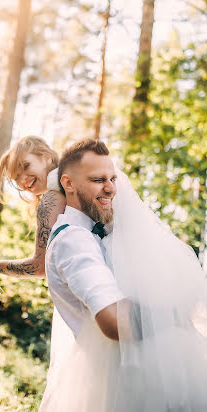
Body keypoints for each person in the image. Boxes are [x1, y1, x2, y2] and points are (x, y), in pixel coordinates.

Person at [39, 138, 207, 412]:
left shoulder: (96, 233)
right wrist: (174, 316)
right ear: (68, 184)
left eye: (112, 179)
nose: (110, 188)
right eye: (97, 180)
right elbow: (113, 320)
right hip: (115, 386)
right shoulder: (73, 240)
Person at [0, 135, 65, 280]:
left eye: (26, 166)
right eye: (16, 177)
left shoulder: (51, 199)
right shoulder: (72, 185)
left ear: (47, 157)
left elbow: (40, 267)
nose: (22, 180)